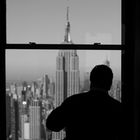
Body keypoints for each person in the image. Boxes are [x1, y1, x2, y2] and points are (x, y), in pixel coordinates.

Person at [46, 64, 122, 140]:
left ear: (91, 82)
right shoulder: (118, 108)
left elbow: (51, 124)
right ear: (110, 84)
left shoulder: (73, 102)